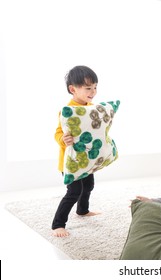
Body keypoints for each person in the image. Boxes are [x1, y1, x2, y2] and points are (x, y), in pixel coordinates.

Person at [52, 65, 101, 237]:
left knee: (88, 185)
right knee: (74, 191)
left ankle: (83, 210)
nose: (93, 91)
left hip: (86, 159)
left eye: (95, 87)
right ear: (73, 89)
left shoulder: (91, 108)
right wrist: (63, 140)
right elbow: (58, 133)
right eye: (88, 88)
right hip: (71, 161)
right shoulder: (68, 111)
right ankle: (58, 224)